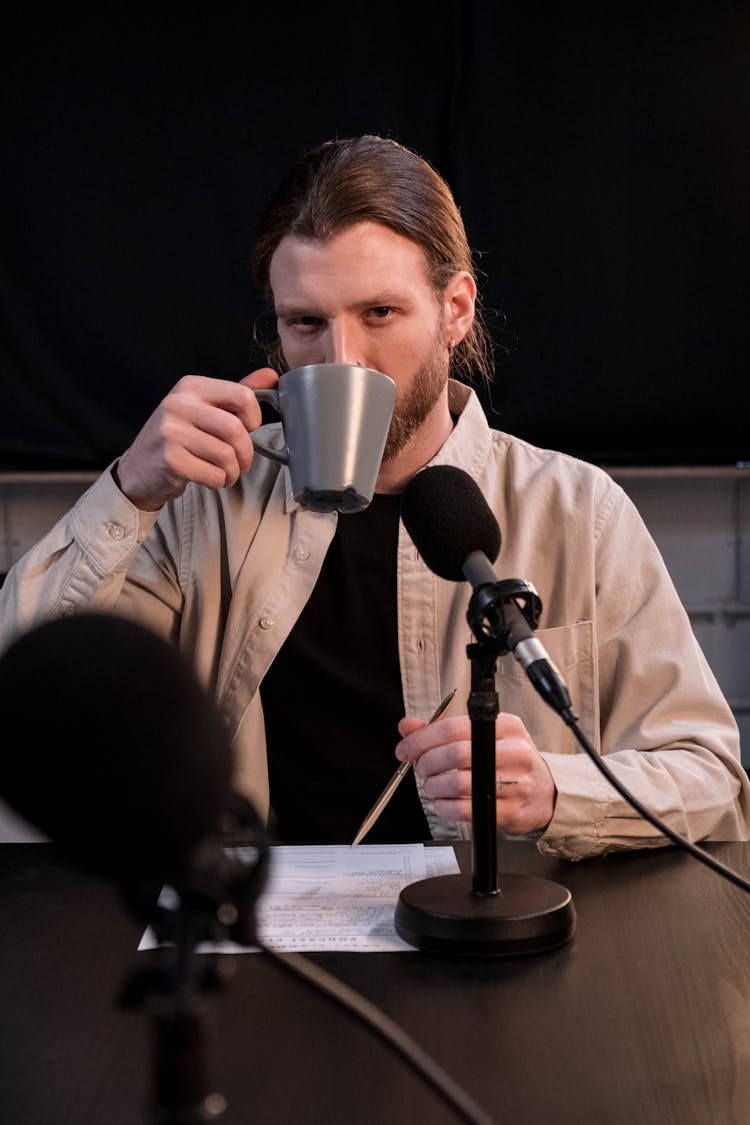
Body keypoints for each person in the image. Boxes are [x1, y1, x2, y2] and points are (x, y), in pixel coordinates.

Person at [1, 134, 747, 858]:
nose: (343, 359)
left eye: (379, 314)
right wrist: (130, 489)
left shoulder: (580, 511)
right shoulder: (206, 500)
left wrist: (557, 790)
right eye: (306, 323)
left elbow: (710, 775)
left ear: (455, 309)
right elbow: (28, 693)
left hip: (485, 948)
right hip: (258, 942)